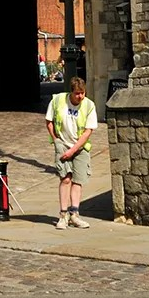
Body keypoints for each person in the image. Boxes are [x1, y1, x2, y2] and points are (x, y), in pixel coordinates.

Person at [46, 76, 97, 229]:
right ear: (71, 92)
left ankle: (74, 214)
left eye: (83, 93)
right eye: (77, 93)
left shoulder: (89, 105)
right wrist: (56, 140)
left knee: (78, 180)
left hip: (80, 147)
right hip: (62, 144)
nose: (81, 96)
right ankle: (63, 215)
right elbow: (49, 121)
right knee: (65, 179)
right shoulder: (58, 101)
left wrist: (73, 150)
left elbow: (88, 131)